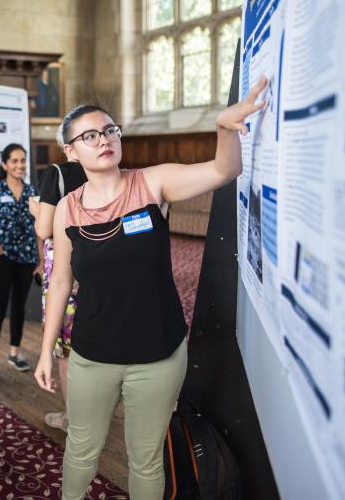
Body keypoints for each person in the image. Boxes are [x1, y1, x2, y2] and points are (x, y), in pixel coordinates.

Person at [34, 77, 268, 500]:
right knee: (81, 451)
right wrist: (47, 349)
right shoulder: (67, 207)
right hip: (92, 355)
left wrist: (224, 128)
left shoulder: (153, 183)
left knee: (145, 458)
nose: (103, 140)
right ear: (70, 151)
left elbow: (224, 170)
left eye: (109, 130)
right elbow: (61, 282)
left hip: (157, 355)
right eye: (89, 135)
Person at [29, 136, 87, 432]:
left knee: (65, 348)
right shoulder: (104, 170)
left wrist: (35, 208)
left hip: (65, 265)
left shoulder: (57, 173)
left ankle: (71, 418)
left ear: (65, 148)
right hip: (97, 260)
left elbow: (44, 228)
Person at [0, 143, 43, 376]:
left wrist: (41, 260)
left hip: (26, 256)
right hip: (1, 257)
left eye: (22, 160)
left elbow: (38, 229)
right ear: (4, 164)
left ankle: (14, 354)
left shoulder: (32, 192)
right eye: (14, 161)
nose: (19, 165)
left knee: (19, 306)